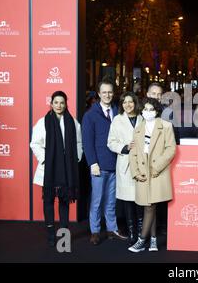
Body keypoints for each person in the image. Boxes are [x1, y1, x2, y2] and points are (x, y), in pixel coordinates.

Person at [30, 91, 83, 246]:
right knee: (48, 200)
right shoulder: (43, 122)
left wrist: (76, 158)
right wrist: (46, 159)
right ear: (51, 103)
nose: (59, 105)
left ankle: (64, 235)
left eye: (62, 102)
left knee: (64, 201)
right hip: (49, 169)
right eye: (56, 102)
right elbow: (35, 143)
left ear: (66, 104)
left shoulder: (72, 122)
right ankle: (51, 234)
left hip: (67, 169)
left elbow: (79, 143)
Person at [128, 97, 176, 252]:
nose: (148, 112)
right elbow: (133, 153)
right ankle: (153, 240)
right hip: (142, 171)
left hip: (157, 171)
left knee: (150, 206)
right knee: (149, 206)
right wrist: (135, 172)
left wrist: (157, 167)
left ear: (157, 111)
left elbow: (171, 149)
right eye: (145, 109)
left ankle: (141, 240)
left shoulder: (166, 126)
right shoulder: (138, 128)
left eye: (151, 109)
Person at [82, 78, 127, 245]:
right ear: (99, 94)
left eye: (110, 92)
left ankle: (111, 229)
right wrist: (92, 163)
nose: (107, 95)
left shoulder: (118, 112)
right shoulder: (90, 115)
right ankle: (95, 231)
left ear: (113, 93)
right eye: (104, 92)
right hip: (98, 166)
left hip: (116, 164)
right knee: (96, 200)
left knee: (111, 201)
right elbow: (87, 142)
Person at [107, 91, 143, 246]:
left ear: (135, 103)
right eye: (124, 102)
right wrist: (124, 147)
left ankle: (142, 233)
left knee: (141, 200)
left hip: (142, 163)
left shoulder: (143, 118)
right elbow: (111, 142)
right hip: (125, 163)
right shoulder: (117, 120)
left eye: (130, 102)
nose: (128, 105)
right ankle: (132, 233)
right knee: (128, 201)